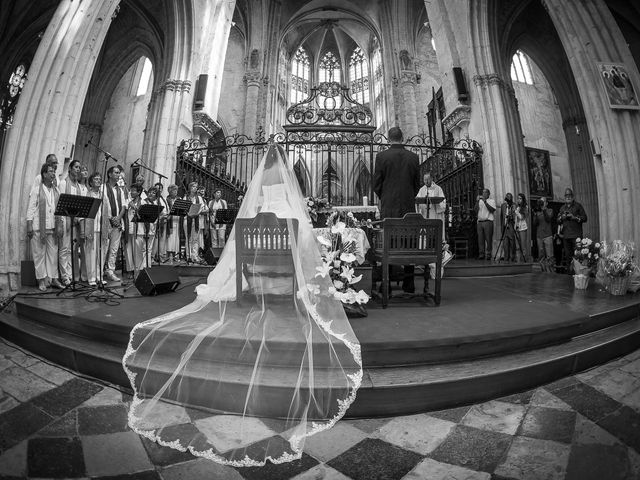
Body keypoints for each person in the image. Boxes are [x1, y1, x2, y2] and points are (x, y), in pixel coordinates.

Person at [123, 143, 362, 467]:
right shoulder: (291, 212)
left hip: (255, 274)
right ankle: (285, 291)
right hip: (283, 276)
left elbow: (239, 247)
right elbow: (303, 250)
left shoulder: (254, 212)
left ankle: (255, 286)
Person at [373, 126, 421, 293]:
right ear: (403, 138)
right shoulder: (413, 157)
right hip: (408, 206)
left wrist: (386, 197)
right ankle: (409, 283)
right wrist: (408, 196)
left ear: (388, 138)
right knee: (409, 242)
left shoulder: (381, 156)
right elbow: (417, 184)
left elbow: (376, 184)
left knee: (390, 243)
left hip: (389, 207)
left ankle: (386, 284)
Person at [26, 163, 63, 291]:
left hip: (53, 227)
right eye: (51, 171)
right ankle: (41, 281)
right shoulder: (37, 190)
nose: (53, 174)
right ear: (44, 174)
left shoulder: (57, 191)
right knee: (39, 255)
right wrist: (29, 225)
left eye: (54, 172)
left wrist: (60, 225)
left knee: (53, 255)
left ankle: (53, 279)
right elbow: (30, 209)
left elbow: (59, 210)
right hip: (38, 228)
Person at [58, 159, 88, 285]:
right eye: (76, 167)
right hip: (65, 219)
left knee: (72, 249)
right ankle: (64, 276)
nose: (78, 169)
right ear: (70, 169)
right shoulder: (64, 184)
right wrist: (61, 221)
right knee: (64, 248)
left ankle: (70, 275)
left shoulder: (79, 187)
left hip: (76, 221)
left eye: (79, 168)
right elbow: (59, 203)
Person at [103, 165, 128, 282]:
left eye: (119, 173)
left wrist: (118, 218)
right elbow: (103, 206)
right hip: (106, 222)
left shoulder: (120, 190)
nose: (118, 175)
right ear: (109, 174)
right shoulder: (103, 188)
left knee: (114, 249)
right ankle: (100, 270)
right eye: (116, 173)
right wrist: (110, 218)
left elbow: (124, 206)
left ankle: (110, 271)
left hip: (117, 222)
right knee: (104, 247)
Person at [557, 187, 587, 273]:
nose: (568, 197)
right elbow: (557, 220)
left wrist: (574, 217)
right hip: (566, 236)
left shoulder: (578, 206)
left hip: (576, 236)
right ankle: (569, 275)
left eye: (569, 195)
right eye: (566, 195)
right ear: (564, 196)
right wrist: (561, 218)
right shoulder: (562, 208)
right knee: (568, 257)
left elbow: (585, 218)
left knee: (578, 256)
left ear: (573, 196)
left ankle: (578, 274)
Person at [183, 181, 208, 262]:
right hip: (187, 219)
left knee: (195, 239)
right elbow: (183, 208)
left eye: (196, 187)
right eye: (193, 186)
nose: (195, 188)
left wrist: (197, 211)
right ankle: (188, 256)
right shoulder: (186, 197)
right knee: (188, 238)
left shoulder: (199, 198)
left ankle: (195, 256)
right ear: (190, 188)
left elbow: (202, 208)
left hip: (196, 219)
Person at [533, 196, 555, 270]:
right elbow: (535, 224)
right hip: (539, 236)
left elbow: (548, 219)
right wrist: (535, 214)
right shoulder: (537, 211)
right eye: (541, 202)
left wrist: (544, 210)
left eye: (543, 202)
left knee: (550, 256)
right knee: (541, 256)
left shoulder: (550, 210)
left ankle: (551, 272)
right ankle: (544, 271)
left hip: (548, 235)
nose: (542, 203)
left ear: (547, 203)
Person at [475, 188, 496, 260]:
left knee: (488, 239)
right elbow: (475, 210)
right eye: (483, 192)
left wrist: (485, 202)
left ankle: (489, 254)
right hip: (480, 222)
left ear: (488, 194)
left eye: (485, 192)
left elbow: (492, 210)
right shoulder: (480, 201)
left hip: (488, 222)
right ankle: (481, 254)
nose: (483, 194)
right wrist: (477, 201)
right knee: (480, 239)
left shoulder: (492, 201)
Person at [164, 184, 180, 263]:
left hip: (177, 220)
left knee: (176, 237)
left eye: (176, 190)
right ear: (170, 191)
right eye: (174, 190)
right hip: (170, 221)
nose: (175, 192)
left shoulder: (179, 199)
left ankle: (175, 254)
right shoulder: (167, 199)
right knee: (170, 237)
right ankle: (168, 254)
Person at [501, 193, 517, 262]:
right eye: (507, 197)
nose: (508, 198)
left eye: (510, 197)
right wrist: (502, 226)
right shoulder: (503, 205)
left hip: (511, 225)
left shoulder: (514, 205)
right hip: (505, 226)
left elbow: (515, 216)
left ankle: (512, 257)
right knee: (505, 243)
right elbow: (501, 216)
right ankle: (506, 258)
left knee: (512, 242)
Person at [515, 193, 530, 262]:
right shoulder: (517, 207)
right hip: (517, 228)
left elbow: (521, 217)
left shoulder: (526, 207)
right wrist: (515, 226)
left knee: (523, 246)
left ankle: (524, 261)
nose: (519, 200)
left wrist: (516, 212)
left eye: (520, 198)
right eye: (518, 198)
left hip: (523, 228)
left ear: (523, 199)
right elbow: (516, 219)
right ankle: (518, 262)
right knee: (517, 247)